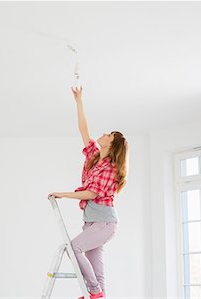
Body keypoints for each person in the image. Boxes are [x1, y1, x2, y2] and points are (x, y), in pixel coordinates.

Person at [48, 86, 128, 299]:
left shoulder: (110, 168)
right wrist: (79, 101)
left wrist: (64, 194)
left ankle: (93, 292)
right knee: (97, 270)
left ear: (112, 145)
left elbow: (92, 194)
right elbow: (84, 130)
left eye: (108, 135)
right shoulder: (95, 158)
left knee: (74, 249)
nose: (103, 135)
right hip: (92, 223)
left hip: (105, 223)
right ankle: (98, 293)